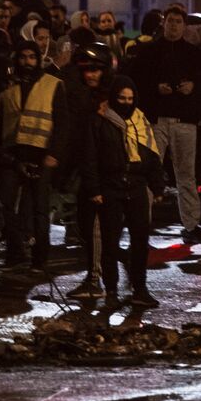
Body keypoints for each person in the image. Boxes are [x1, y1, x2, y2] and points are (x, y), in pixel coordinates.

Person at [85, 76, 163, 309]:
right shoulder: (100, 121)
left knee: (140, 241)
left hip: (137, 185)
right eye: (121, 98)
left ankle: (140, 288)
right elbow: (90, 157)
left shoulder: (141, 121)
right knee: (110, 242)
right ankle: (111, 291)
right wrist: (94, 189)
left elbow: (151, 155)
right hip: (111, 186)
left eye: (130, 99)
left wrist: (157, 186)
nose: (126, 103)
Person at [131, 7, 201, 243]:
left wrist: (192, 87)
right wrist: (156, 88)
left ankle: (191, 224)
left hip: (184, 120)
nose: (174, 25)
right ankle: (142, 221)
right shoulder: (149, 52)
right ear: (164, 23)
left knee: (186, 175)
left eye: (178, 22)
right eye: (170, 21)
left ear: (184, 26)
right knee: (150, 172)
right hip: (157, 119)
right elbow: (140, 82)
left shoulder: (194, 54)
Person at [0, 41, 69, 271]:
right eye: (22, 57)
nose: (26, 62)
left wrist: (54, 155)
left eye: (31, 57)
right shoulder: (9, 88)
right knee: (8, 206)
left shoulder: (53, 85)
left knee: (39, 209)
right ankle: (15, 254)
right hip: (12, 157)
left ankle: (40, 259)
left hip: (41, 155)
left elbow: (61, 124)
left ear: (38, 59)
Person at [65, 43, 115, 298]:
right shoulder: (82, 97)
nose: (90, 75)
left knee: (96, 228)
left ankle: (96, 280)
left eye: (96, 70)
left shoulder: (112, 102)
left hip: (104, 174)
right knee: (88, 227)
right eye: (86, 70)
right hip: (87, 172)